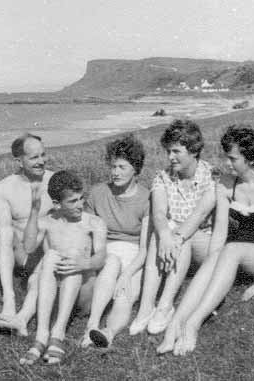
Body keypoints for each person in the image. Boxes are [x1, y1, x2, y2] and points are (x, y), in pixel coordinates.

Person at [158, 125, 254, 356]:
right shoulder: (225, 185)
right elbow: (220, 232)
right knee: (218, 254)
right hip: (237, 251)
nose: (227, 163)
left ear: (250, 159)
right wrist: (211, 263)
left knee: (230, 250)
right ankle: (175, 323)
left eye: (232, 158)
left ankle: (193, 324)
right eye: (226, 157)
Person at [129, 119, 217, 336]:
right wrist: (166, 235)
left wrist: (174, 236)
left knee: (179, 234)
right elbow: (158, 212)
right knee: (164, 229)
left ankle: (165, 305)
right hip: (174, 248)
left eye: (176, 151)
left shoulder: (211, 176)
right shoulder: (162, 177)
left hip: (204, 246)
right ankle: (146, 308)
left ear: (194, 151)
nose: (170, 157)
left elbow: (200, 214)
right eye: (168, 151)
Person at [20, 170, 107, 365]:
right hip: (55, 295)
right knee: (50, 255)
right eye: (73, 201)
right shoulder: (48, 222)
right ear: (57, 204)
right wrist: (34, 211)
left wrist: (85, 262)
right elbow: (28, 247)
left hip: (83, 293)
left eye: (81, 198)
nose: (80, 205)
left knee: (73, 256)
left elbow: (101, 257)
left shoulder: (93, 223)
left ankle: (57, 332)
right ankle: (42, 335)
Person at [81, 134, 151, 348]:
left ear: (135, 169)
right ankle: (92, 324)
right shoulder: (97, 193)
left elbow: (145, 248)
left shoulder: (147, 198)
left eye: (122, 167)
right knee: (111, 265)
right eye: (113, 167)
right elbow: (87, 232)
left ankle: (108, 333)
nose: (116, 172)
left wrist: (127, 274)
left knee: (124, 295)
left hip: (134, 255)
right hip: (105, 250)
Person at [0, 134, 54, 335]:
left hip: (45, 253)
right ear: (19, 161)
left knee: (41, 275)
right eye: (34, 157)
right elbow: (4, 232)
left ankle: (22, 318)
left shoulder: (53, 181)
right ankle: (9, 300)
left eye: (43, 155)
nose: (41, 161)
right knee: (4, 232)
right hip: (20, 254)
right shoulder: (4, 188)